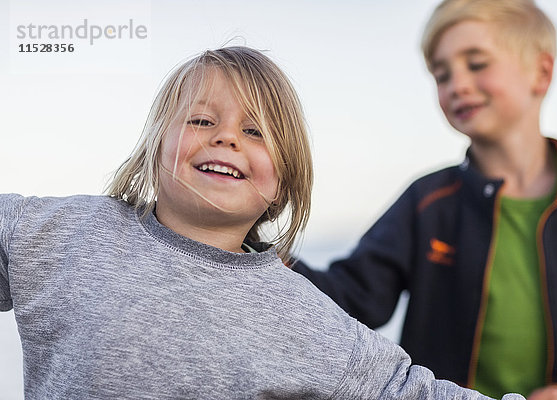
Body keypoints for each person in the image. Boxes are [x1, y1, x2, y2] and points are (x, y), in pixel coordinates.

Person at [0, 47, 523, 399]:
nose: (226, 138)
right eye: (202, 120)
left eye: (255, 131)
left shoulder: (304, 314)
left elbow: (403, 389)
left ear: (284, 181)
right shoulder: (57, 232)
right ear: (155, 145)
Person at [292, 1, 557, 399]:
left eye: (476, 64)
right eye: (441, 74)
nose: (457, 85)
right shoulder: (427, 202)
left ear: (541, 72)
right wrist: (260, 253)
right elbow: (350, 296)